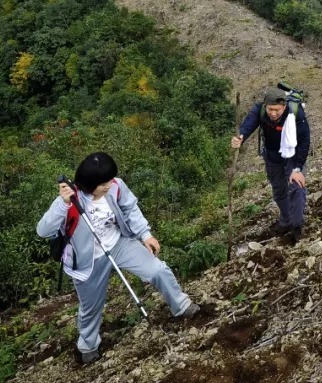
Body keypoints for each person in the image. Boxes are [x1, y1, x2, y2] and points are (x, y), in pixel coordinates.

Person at [36, 152, 200, 364]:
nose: (109, 185)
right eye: (103, 183)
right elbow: (43, 230)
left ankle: (181, 305)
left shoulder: (116, 186)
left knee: (158, 270)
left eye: (110, 180)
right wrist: (63, 203)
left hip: (118, 244)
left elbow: (130, 208)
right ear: (89, 183)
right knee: (91, 307)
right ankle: (88, 346)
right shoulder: (71, 201)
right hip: (87, 262)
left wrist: (145, 234)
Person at [232, 86, 311, 242]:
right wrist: (240, 137)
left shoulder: (296, 114)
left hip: (292, 154)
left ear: (284, 106)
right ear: (265, 106)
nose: (273, 113)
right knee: (279, 190)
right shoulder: (259, 110)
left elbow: (304, 141)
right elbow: (249, 124)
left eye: (277, 110)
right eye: (270, 109)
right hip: (272, 154)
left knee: (296, 186)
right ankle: (286, 221)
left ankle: (297, 227)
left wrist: (297, 168)